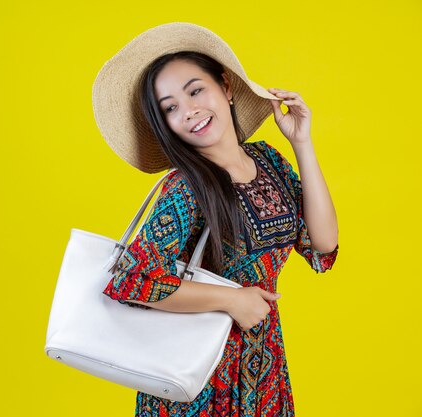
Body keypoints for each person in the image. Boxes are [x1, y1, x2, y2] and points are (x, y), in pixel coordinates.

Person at [92, 23, 339, 416]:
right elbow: (131, 281)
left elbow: (322, 244)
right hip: (196, 378)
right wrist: (232, 299)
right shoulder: (185, 187)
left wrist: (301, 142)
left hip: (262, 367)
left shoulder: (268, 161)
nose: (189, 111)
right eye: (170, 108)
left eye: (196, 90)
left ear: (225, 87)